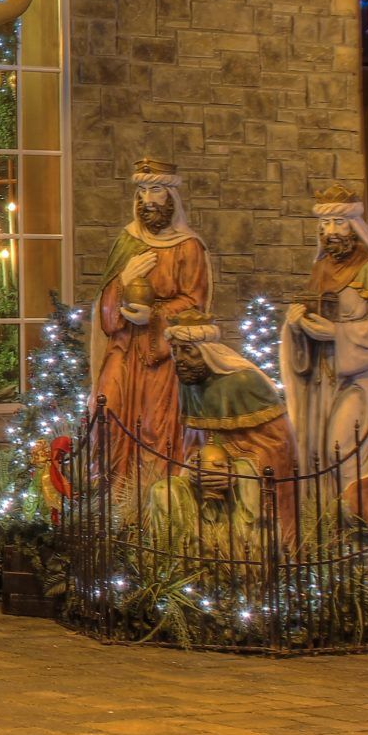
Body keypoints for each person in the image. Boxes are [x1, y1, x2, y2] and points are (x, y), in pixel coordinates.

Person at [281, 182, 368, 483]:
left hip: (359, 378)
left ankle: (357, 517)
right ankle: (327, 520)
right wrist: (296, 326)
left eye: (339, 223)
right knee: (315, 450)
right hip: (321, 378)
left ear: (354, 227)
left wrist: (336, 333)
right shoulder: (321, 269)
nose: (331, 231)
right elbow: (313, 314)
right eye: (325, 223)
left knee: (341, 447)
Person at [91, 157, 213, 488]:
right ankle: (116, 500)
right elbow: (105, 309)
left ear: (171, 197)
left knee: (157, 426)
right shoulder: (127, 242)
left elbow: (195, 302)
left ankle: (156, 506)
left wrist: (155, 316)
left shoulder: (188, 247)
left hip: (162, 357)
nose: (147, 200)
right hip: (123, 349)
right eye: (142, 191)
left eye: (156, 190)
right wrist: (122, 282)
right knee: (109, 416)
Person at [167, 317, 296, 542]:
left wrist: (237, 473)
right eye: (175, 351)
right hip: (206, 477)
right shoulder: (189, 384)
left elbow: (279, 447)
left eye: (188, 350)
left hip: (248, 479)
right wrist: (195, 467)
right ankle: (183, 556)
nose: (180, 359)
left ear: (208, 351)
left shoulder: (245, 381)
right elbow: (193, 443)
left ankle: (249, 559)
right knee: (163, 492)